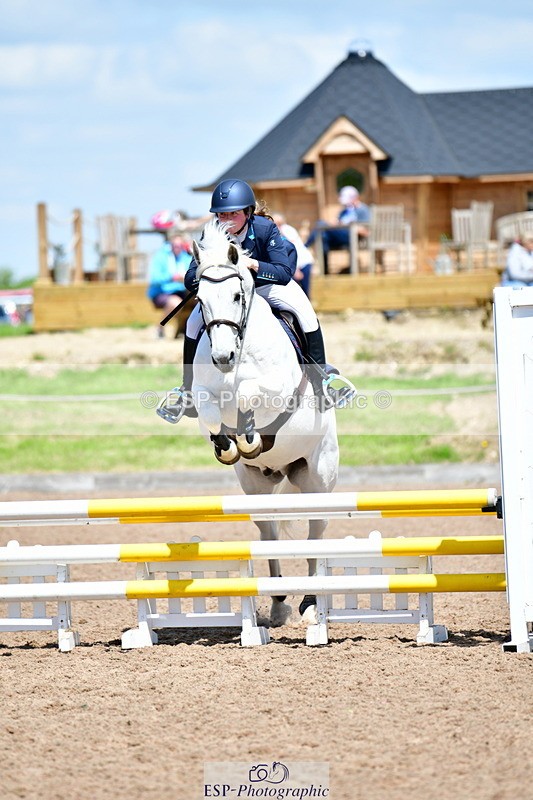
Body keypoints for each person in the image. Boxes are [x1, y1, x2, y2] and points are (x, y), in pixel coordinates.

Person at [157, 179, 354, 423]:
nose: (227, 220)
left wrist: (253, 265)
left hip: (267, 286)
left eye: (234, 213)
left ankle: (322, 379)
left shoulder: (264, 229)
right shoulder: (211, 233)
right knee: (192, 322)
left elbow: (283, 272)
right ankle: (187, 391)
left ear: (248, 212)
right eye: (222, 214)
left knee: (304, 311)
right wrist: (209, 275)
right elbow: (190, 278)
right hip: (229, 293)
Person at [305, 185, 370, 273]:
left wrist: (350, 226)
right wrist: (336, 224)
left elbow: (367, 231)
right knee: (323, 236)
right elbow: (337, 221)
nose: (345, 203)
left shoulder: (363, 210)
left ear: (355, 197)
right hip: (339, 237)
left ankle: (305, 247)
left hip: (352, 237)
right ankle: (325, 271)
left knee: (320, 224)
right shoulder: (345, 210)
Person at [146, 228, 191, 335]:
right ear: (170, 245)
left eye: (180, 246)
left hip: (181, 291)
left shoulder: (186, 257)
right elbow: (155, 279)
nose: (177, 248)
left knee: (196, 301)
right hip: (161, 292)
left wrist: (185, 278)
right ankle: (160, 327)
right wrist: (172, 277)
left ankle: (183, 328)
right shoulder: (160, 256)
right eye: (175, 245)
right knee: (176, 303)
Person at [272, 212, 314, 297]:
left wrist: (296, 270)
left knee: (304, 291)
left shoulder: (288, 231)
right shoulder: (274, 232)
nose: (278, 225)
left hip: (303, 262)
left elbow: (294, 250)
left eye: (279, 223)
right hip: (293, 265)